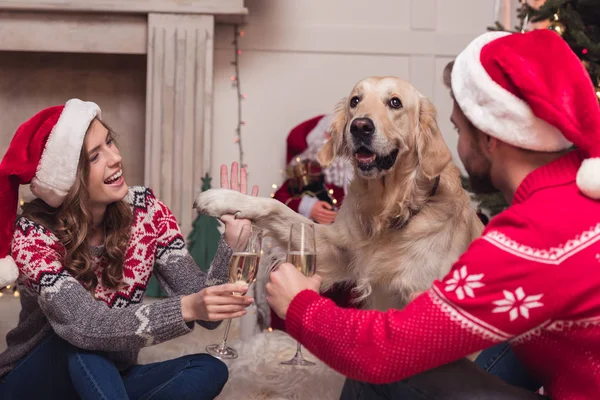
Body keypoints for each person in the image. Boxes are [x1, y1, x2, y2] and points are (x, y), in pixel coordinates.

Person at [266, 29, 600, 399]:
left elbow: (387, 352)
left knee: (377, 373)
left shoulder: (531, 237)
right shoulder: (574, 199)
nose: (452, 145)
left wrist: (302, 308)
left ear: (490, 136)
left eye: (457, 129)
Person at [0, 99, 257, 400]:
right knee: (80, 342)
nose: (115, 157)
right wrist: (187, 306)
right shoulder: (32, 236)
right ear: (70, 178)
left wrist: (231, 244)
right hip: (33, 383)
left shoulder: (147, 213)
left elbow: (208, 316)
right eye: (95, 156)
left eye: (109, 142)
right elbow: (85, 325)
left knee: (209, 369)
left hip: (109, 375)